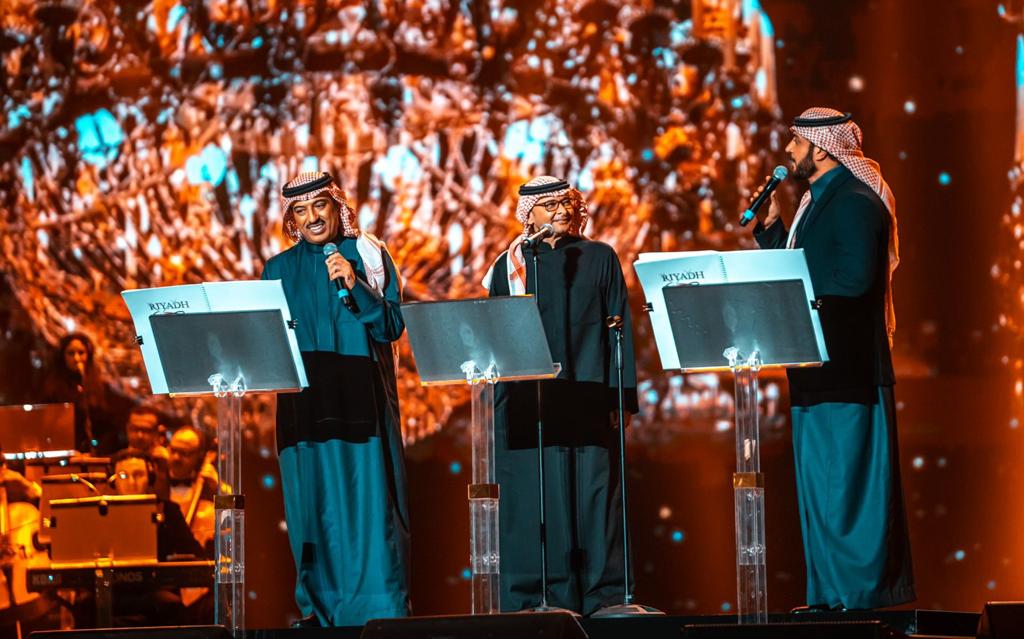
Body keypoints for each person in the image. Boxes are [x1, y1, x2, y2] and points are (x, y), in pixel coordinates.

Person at [751, 107, 914, 610]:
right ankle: (827, 598)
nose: (788, 151)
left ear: (822, 149)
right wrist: (772, 231)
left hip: (850, 370)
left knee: (848, 489)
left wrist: (797, 298)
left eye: (796, 142)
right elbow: (800, 271)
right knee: (819, 491)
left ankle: (858, 599)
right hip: (815, 368)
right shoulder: (814, 204)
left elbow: (854, 279)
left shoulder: (856, 202)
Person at [483, 175, 639, 615]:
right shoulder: (511, 267)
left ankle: (604, 595)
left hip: (587, 396)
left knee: (594, 495)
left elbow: (619, 327)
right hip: (527, 403)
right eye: (550, 206)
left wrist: (622, 398)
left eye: (566, 203)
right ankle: (538, 597)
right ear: (529, 215)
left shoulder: (600, 256)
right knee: (533, 498)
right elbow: (495, 333)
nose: (562, 211)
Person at [260, 171, 409, 627]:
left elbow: (391, 327)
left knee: (370, 515)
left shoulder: (367, 254)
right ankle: (318, 614)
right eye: (300, 210)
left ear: (336, 207)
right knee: (311, 515)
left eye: (319, 206)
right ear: (291, 219)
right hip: (304, 411)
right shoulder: (276, 270)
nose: (312, 217)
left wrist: (355, 283)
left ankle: (380, 616)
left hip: (361, 406)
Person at [40, 333, 130, 454]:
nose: (77, 358)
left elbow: (110, 426)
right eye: (71, 353)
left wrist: (97, 451)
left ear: (88, 355)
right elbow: (49, 427)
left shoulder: (101, 387)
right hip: (67, 453)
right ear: (63, 357)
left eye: (81, 353)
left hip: (97, 453)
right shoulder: (53, 388)